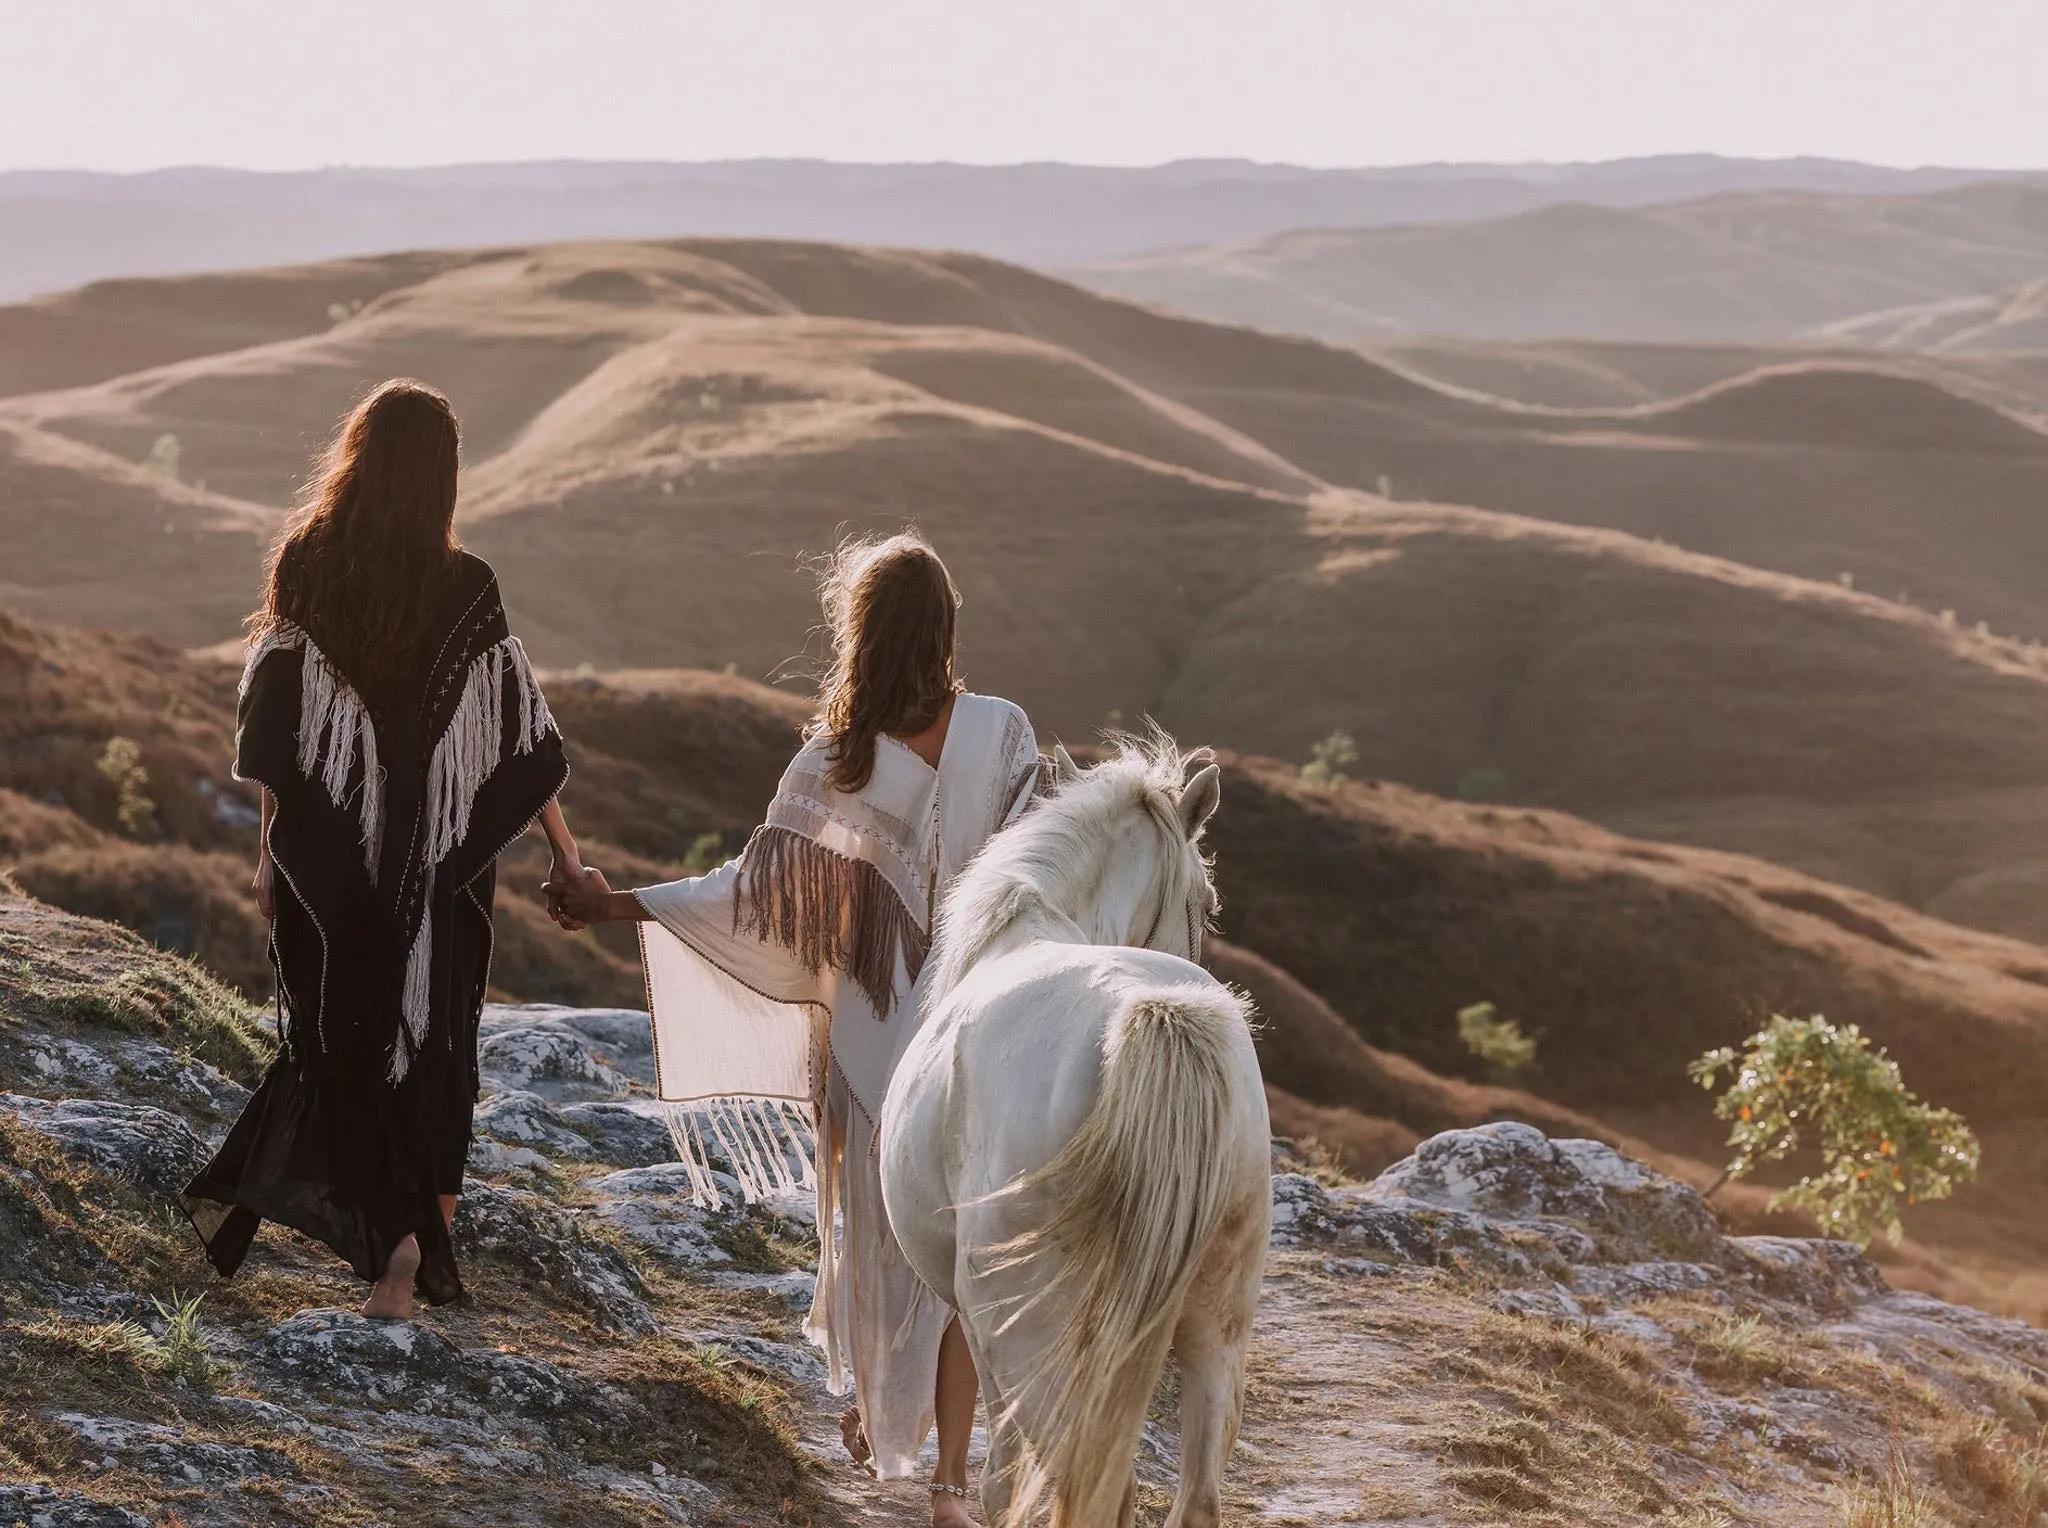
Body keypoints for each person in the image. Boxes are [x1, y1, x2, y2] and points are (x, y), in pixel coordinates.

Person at [548, 532, 1040, 1527]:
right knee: (961, 1266)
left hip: (876, 1050)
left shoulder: (835, 760)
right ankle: (948, 1483)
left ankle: (876, 1411)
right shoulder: (1002, 731)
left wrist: (615, 904)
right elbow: (1047, 867)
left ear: (856, 633)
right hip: (981, 1042)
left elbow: (752, 897)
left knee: (874, 1235)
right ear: (944, 628)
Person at [183, 379, 584, 1322]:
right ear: (443, 478)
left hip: (329, 867)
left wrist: (271, 853)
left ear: (354, 456)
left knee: (345, 1041)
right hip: (440, 870)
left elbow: (277, 734)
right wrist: (566, 858)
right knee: (437, 1044)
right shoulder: (466, 586)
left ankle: (389, 1248)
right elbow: (522, 741)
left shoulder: (306, 564)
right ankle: (413, 1255)